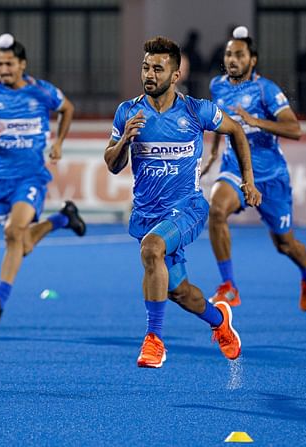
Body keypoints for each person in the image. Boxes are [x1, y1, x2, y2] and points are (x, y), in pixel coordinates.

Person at [104, 36, 261, 368]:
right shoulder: (128, 112)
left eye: (158, 69)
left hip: (187, 209)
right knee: (180, 292)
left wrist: (248, 178)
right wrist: (125, 141)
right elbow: (113, 163)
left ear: (175, 75)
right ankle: (220, 321)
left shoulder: (195, 110)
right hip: (149, 214)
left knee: (151, 250)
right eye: (146, 67)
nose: (150, 74)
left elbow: (237, 131)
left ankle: (154, 340)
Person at [0, 33, 86, 325]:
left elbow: (67, 108)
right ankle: (64, 219)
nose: (3, 70)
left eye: (8, 64)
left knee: (14, 233)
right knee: (23, 243)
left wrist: (58, 143)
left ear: (22, 65)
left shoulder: (40, 91)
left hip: (30, 176)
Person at [202, 26, 306, 312]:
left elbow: (294, 129)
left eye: (239, 55)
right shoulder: (217, 86)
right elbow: (223, 121)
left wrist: (258, 122)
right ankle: (229, 286)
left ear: (252, 60)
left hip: (270, 176)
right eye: (229, 54)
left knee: (284, 244)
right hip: (236, 167)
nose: (233, 59)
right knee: (217, 210)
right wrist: (213, 153)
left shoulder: (265, 89)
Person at [181, 30, 205, 97]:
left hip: (193, 81)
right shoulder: (184, 51)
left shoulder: (195, 53)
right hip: (187, 82)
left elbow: (202, 66)